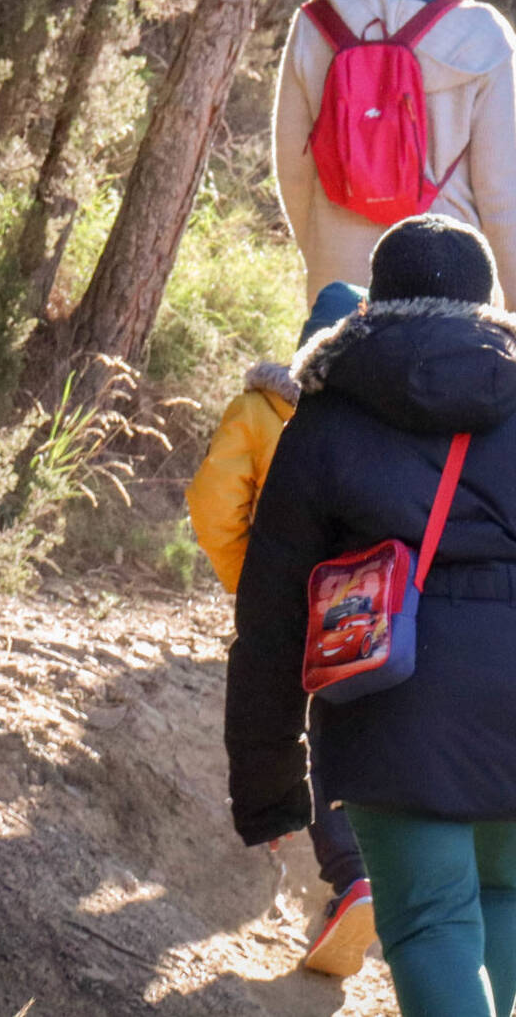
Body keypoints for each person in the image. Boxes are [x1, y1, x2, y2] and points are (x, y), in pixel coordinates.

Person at [225, 215, 516, 1017]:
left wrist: (268, 782)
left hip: (389, 703)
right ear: (487, 306)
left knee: (431, 923)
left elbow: (269, 619)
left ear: (375, 304)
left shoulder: (323, 424)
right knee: (498, 894)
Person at [183, 280, 373, 978]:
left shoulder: (262, 409)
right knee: (341, 727)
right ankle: (366, 871)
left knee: (283, 725)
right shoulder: (377, 422)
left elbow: (213, 504)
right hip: (360, 607)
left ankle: (342, 868)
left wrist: (249, 581)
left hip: (286, 604)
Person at [274, 0, 516, 324]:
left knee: (342, 396)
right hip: (450, 272)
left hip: (339, 276)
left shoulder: (317, 21)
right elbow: (503, 191)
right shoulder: (481, 33)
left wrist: (321, 253)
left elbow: (292, 166)